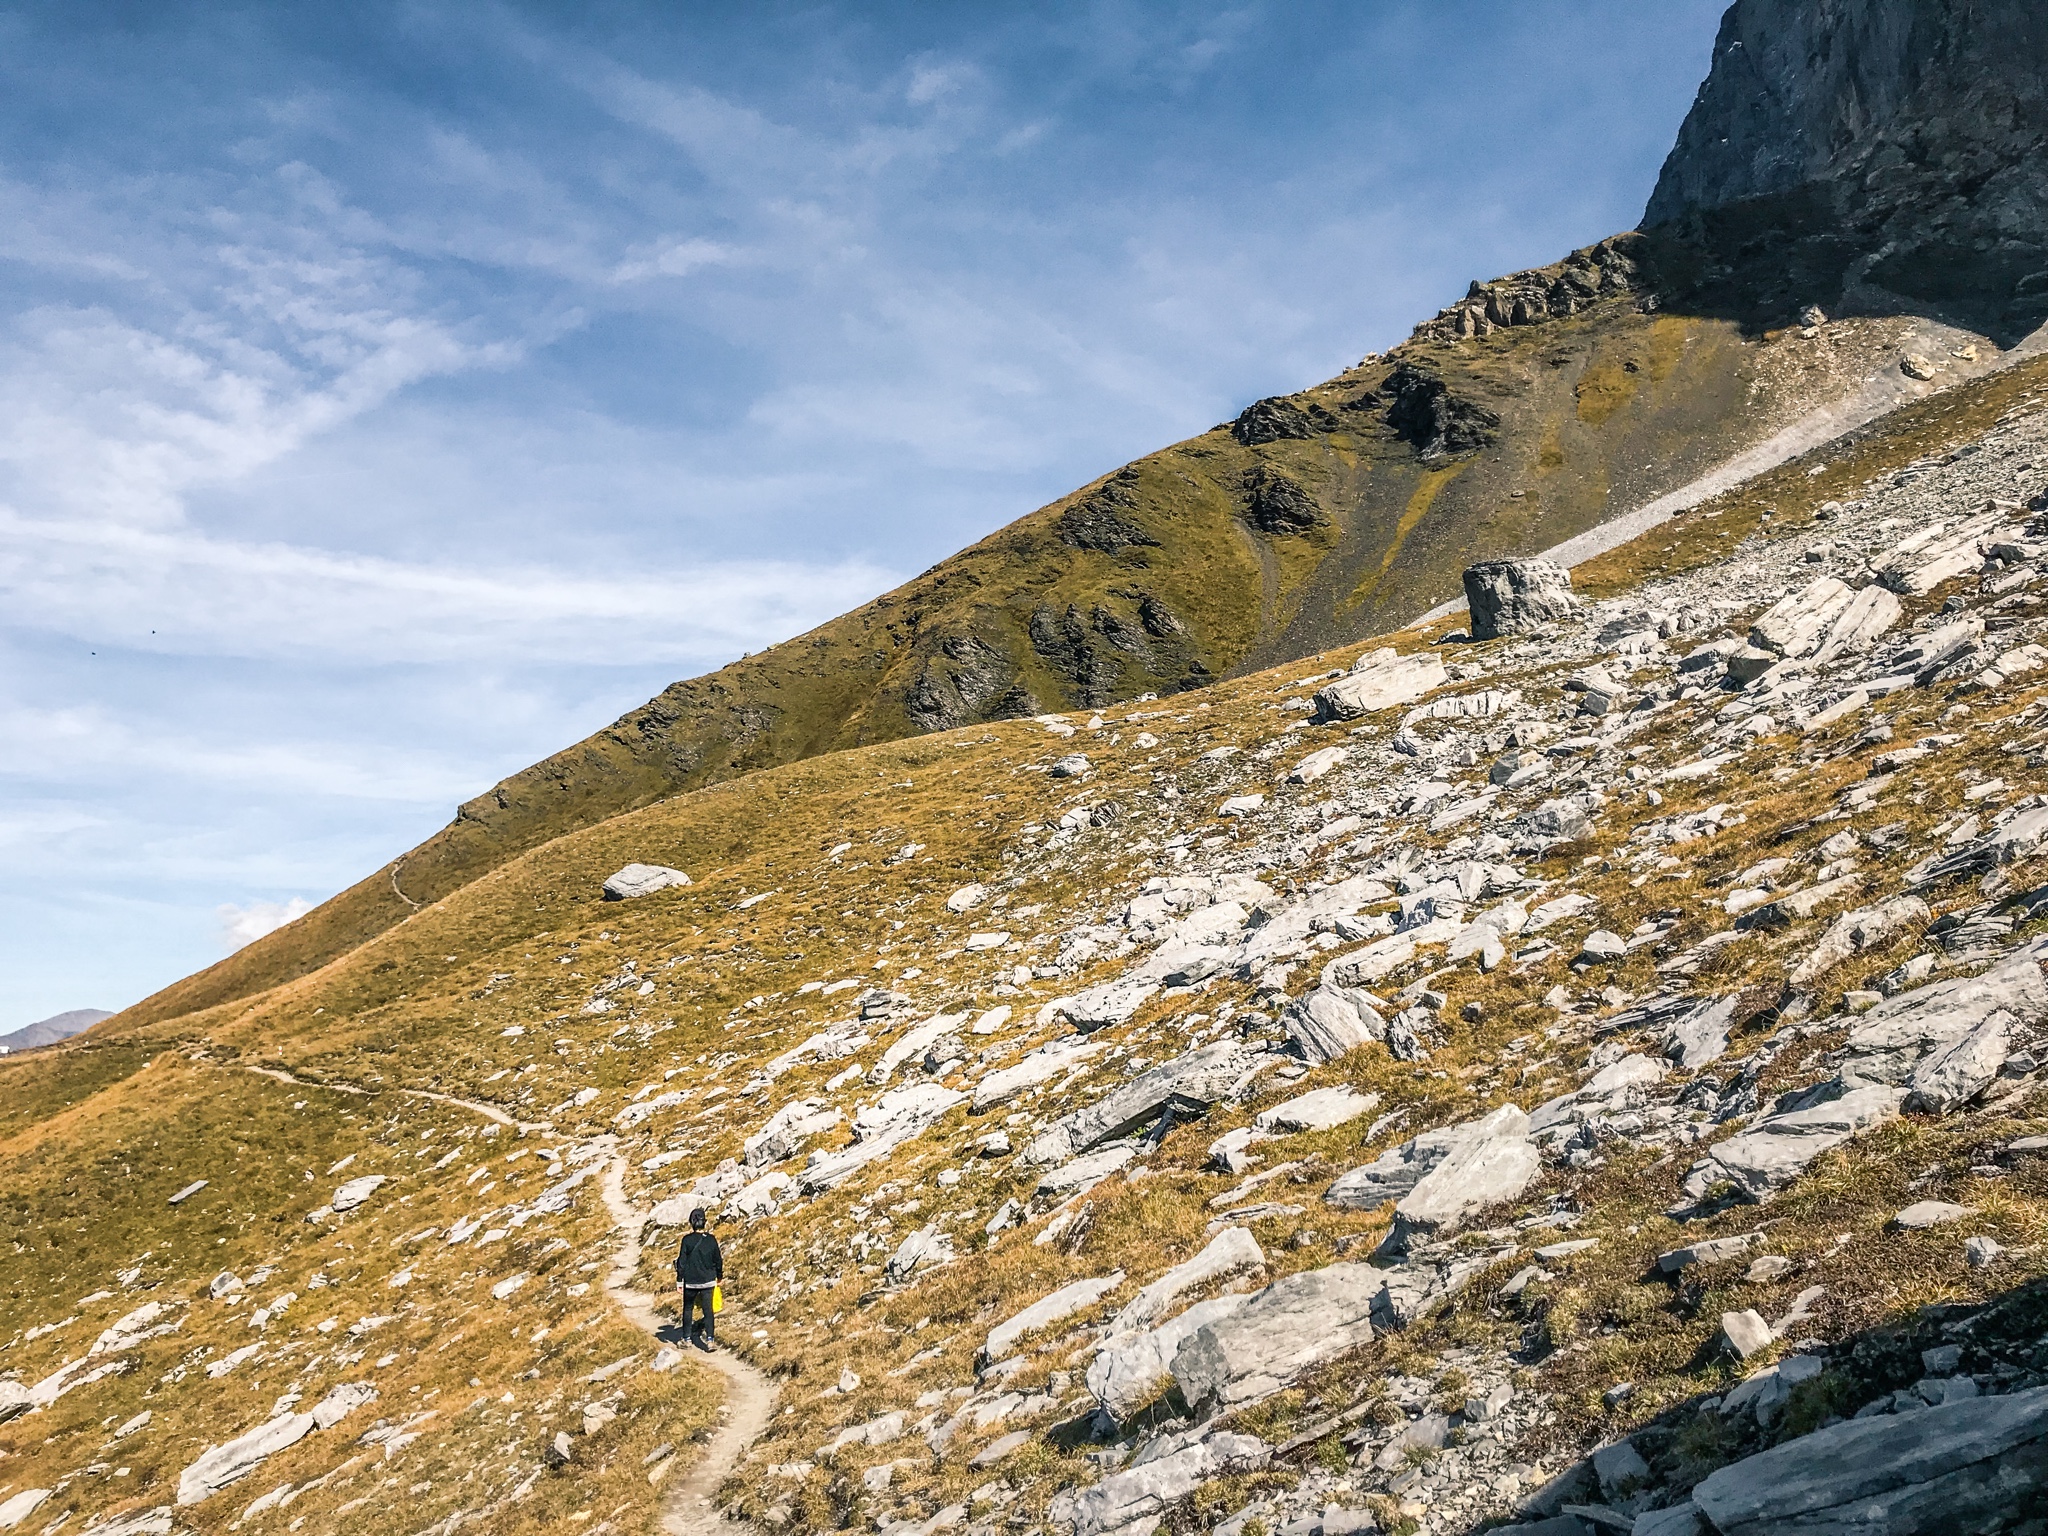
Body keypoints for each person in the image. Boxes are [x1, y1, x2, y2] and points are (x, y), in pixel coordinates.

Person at [674, 1206, 724, 1351]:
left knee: (688, 1308)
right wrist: (719, 1276)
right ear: (705, 1222)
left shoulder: (686, 1240)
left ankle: (687, 1339)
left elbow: (681, 1262)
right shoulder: (711, 1240)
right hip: (708, 1281)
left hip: (691, 1282)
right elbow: (718, 1260)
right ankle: (710, 1340)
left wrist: (679, 1280)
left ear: (691, 1223)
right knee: (708, 1310)